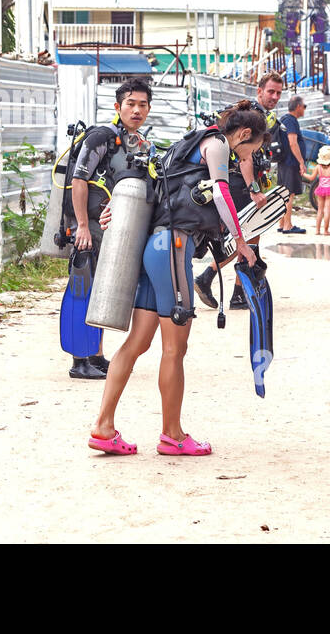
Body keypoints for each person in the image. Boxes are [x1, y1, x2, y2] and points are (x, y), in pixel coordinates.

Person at [88, 101, 266, 456]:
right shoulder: (216, 144)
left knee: (137, 343)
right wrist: (243, 243)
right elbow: (220, 191)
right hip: (174, 247)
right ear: (244, 135)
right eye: (250, 151)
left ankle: (104, 428)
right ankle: (173, 434)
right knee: (175, 347)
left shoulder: (187, 145)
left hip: (156, 247)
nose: (246, 158)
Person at [62, 78, 153, 379]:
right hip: (89, 228)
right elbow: (78, 180)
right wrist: (82, 227)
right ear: (118, 106)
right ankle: (80, 359)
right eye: (131, 104)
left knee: (104, 291)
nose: (136, 110)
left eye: (142, 104)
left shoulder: (136, 142)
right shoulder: (101, 137)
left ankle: (96, 355)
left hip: (109, 229)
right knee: (85, 290)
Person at [193, 71, 284, 309]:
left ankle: (238, 292)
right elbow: (245, 158)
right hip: (239, 183)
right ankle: (208, 277)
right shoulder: (252, 116)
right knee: (243, 236)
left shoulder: (263, 116)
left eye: (278, 93)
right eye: (270, 91)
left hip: (243, 182)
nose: (274, 96)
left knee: (252, 236)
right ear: (259, 91)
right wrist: (253, 189)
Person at [276, 95, 307, 234]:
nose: (305, 109)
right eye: (304, 106)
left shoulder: (284, 119)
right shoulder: (291, 121)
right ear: (298, 106)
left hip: (284, 162)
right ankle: (288, 225)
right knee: (289, 194)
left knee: (284, 194)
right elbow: (293, 143)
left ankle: (282, 223)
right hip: (290, 162)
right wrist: (301, 162)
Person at [303, 145, 330, 236]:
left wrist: (303, 174)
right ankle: (326, 231)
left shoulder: (318, 167)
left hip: (320, 190)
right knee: (327, 211)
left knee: (320, 210)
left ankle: (317, 230)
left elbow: (311, 178)